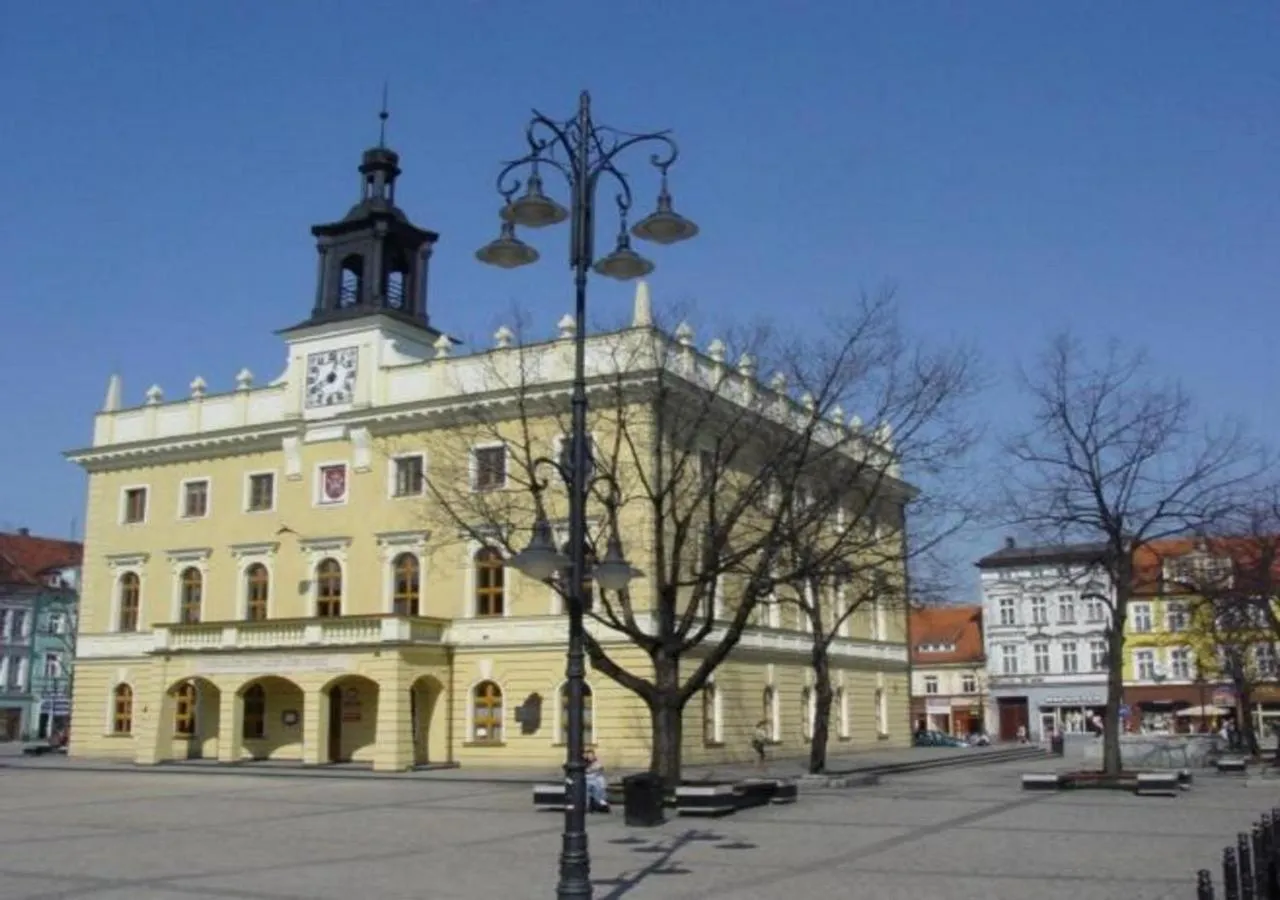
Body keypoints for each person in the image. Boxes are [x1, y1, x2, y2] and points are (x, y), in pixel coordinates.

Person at [584, 748, 609, 813]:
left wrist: (590, 770)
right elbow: (586, 771)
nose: (590, 757)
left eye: (591, 755)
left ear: (594, 755)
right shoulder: (585, 762)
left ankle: (603, 805)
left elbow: (599, 769)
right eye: (588, 755)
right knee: (587, 792)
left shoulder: (597, 762)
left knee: (599, 793)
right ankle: (588, 807)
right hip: (588, 781)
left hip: (597, 781)